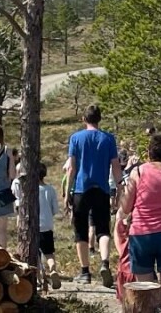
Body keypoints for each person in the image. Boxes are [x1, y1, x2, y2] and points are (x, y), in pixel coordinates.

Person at [118, 134, 161, 313]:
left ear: (149, 153)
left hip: (141, 235)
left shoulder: (137, 172)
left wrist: (123, 190)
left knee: (144, 292)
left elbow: (126, 206)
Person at [65, 105, 123, 287]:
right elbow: (115, 166)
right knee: (103, 229)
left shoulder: (76, 138)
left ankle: (85, 272)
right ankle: (105, 263)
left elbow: (71, 168)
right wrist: (119, 187)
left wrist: (68, 191)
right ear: (100, 119)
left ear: (84, 118)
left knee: (81, 232)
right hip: (102, 189)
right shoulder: (108, 139)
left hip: (81, 189)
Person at [37, 162, 62, 289]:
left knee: (35, 254)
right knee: (49, 253)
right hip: (47, 225)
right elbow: (55, 209)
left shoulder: (31, 191)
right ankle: (52, 269)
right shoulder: (50, 189)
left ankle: (40, 277)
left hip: (34, 227)